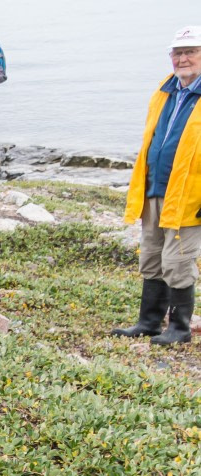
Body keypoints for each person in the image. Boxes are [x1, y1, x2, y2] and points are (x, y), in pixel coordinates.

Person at [112, 25, 201, 345]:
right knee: (151, 256)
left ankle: (179, 329)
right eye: (177, 53)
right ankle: (149, 322)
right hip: (154, 190)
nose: (183, 58)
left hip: (190, 196)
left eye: (190, 51)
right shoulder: (165, 91)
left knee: (178, 261)